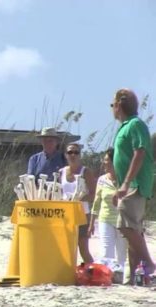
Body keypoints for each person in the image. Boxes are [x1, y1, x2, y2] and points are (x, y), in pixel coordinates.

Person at [110, 88, 155, 284]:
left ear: (119, 105)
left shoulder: (136, 124)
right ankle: (133, 277)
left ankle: (149, 264)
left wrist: (127, 183)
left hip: (135, 184)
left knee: (126, 226)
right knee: (133, 230)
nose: (112, 109)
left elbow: (140, 152)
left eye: (112, 105)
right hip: (128, 184)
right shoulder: (126, 126)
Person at [88, 148, 127, 283]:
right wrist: (92, 222)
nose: (103, 163)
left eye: (106, 161)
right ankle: (107, 277)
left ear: (115, 162)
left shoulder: (125, 179)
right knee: (106, 251)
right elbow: (96, 202)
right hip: (105, 219)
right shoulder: (101, 180)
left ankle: (120, 277)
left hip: (123, 221)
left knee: (122, 252)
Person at [59, 143, 96, 264]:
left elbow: (93, 194)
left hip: (82, 214)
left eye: (76, 152)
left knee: (83, 249)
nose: (73, 155)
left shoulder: (86, 172)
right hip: (65, 215)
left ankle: (93, 274)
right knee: (66, 247)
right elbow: (58, 191)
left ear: (80, 155)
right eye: (70, 152)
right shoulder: (61, 172)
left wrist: (79, 198)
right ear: (65, 155)